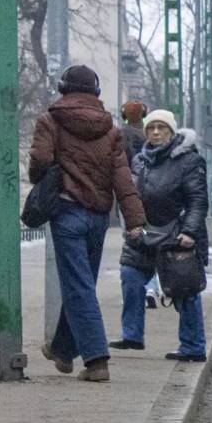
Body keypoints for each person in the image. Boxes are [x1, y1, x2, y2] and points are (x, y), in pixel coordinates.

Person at [28, 64, 147, 383]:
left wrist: (41, 175)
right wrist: (135, 220)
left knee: (78, 286)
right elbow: (123, 177)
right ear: (96, 93)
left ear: (63, 89)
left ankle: (96, 360)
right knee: (82, 284)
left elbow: (39, 161)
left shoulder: (51, 121)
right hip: (98, 218)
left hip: (67, 213)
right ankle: (64, 351)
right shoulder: (111, 131)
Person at [111, 109, 208, 361]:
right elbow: (131, 195)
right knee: (130, 275)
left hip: (176, 234)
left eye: (161, 127)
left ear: (172, 131)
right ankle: (132, 334)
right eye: (151, 128)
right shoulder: (140, 160)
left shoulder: (189, 160)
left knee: (185, 289)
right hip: (143, 232)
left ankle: (193, 346)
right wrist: (132, 225)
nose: (155, 132)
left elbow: (198, 201)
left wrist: (189, 231)